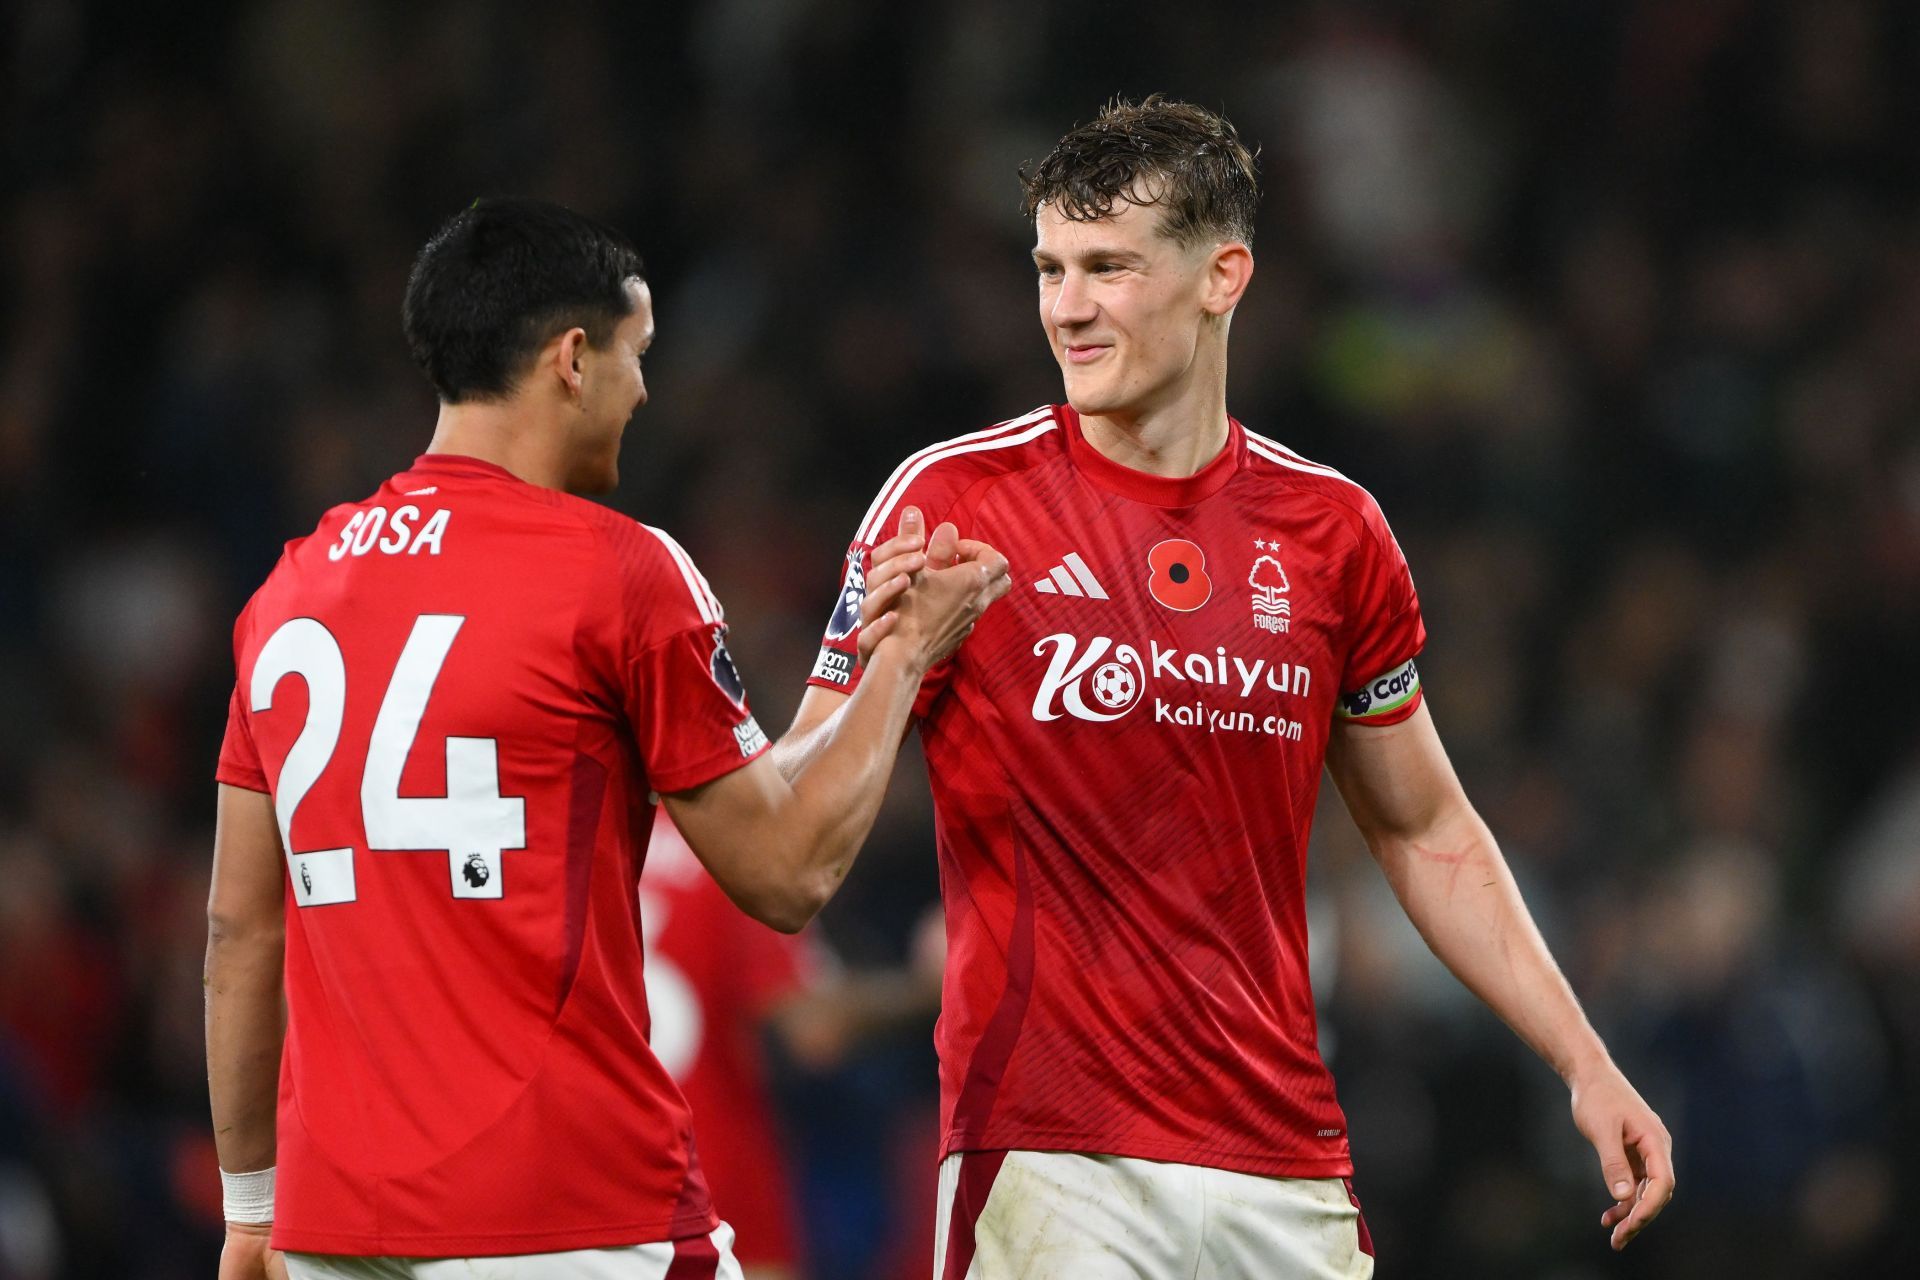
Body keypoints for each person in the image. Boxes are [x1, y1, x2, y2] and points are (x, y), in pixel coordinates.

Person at [782, 98, 1675, 1278]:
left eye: (1108, 267)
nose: (1066, 305)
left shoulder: (1332, 531)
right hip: (1048, 1159)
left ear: (1223, 275)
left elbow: (1421, 821)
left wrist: (1584, 1057)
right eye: (1050, 267)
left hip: (1283, 1160)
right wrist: (896, 663)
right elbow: (793, 804)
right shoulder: (950, 504)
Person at [204, 198, 1007, 1280]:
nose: (644, 390)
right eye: (638, 355)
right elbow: (785, 870)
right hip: (570, 1215)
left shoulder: (290, 591)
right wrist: (910, 661)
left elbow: (240, 931)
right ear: (572, 359)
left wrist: (251, 1208)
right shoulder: (615, 569)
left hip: (336, 1224)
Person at [638, 809, 945, 1280]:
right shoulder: (720, 842)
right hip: (715, 1192)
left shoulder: (560, 845)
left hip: (586, 1191)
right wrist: (936, 984)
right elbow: (814, 1030)